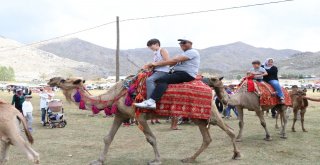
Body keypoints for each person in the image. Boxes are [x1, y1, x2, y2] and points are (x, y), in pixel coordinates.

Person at [134, 39, 200, 109]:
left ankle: (151, 101)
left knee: (162, 80)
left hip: (186, 74)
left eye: (184, 42)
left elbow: (173, 61)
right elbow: (172, 63)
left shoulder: (192, 52)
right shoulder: (183, 53)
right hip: (179, 73)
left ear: (190, 43)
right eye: (180, 43)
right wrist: (151, 66)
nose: (181, 44)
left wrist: (153, 64)